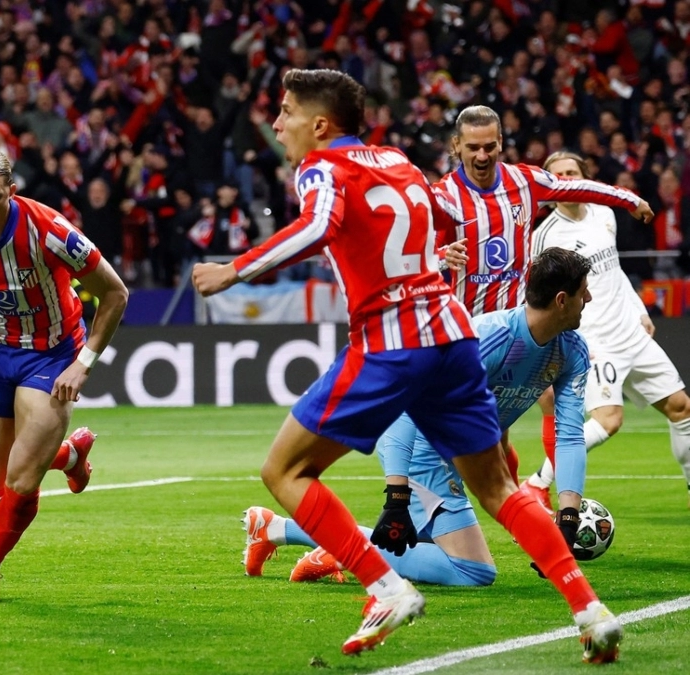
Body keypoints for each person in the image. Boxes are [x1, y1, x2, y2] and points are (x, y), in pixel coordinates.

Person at [191, 69, 621, 661]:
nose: (277, 123)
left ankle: (386, 587)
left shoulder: (321, 167)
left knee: (283, 470)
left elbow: (317, 227)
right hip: (450, 329)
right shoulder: (397, 162)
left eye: (287, 112)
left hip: (392, 338)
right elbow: (418, 236)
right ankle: (590, 611)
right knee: (498, 484)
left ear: (321, 124)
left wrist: (233, 270)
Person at [245, 248, 595, 590]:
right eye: (584, 291)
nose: (590, 298)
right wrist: (396, 493)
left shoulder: (572, 351)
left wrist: (567, 517)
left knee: (430, 545)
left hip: (462, 455)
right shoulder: (490, 338)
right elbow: (411, 404)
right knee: (473, 570)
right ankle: (323, 546)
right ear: (562, 300)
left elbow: (569, 435)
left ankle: (281, 531)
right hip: (422, 447)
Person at [0, 147, 129, 604]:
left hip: (52, 356)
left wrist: (83, 363)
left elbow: (115, 294)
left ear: (11, 192)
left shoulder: (49, 230)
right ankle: (69, 455)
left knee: (20, 481)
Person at [435, 105, 653, 484]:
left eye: (490, 145)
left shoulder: (524, 181)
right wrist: (438, 257)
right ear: (457, 146)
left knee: (534, 410)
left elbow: (579, 187)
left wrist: (628, 199)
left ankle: (530, 497)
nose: (482, 155)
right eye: (473, 147)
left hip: (516, 331)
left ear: (501, 142)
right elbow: (407, 248)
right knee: (473, 441)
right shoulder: (442, 197)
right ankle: (516, 499)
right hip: (465, 335)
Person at [521, 152, 690, 508]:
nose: (565, 180)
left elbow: (612, 272)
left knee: (681, 408)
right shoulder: (545, 237)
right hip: (596, 342)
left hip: (631, 333)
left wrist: (639, 310)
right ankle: (537, 483)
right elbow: (541, 300)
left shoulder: (605, 214)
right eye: (558, 176)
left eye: (572, 172)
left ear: (585, 176)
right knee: (609, 420)